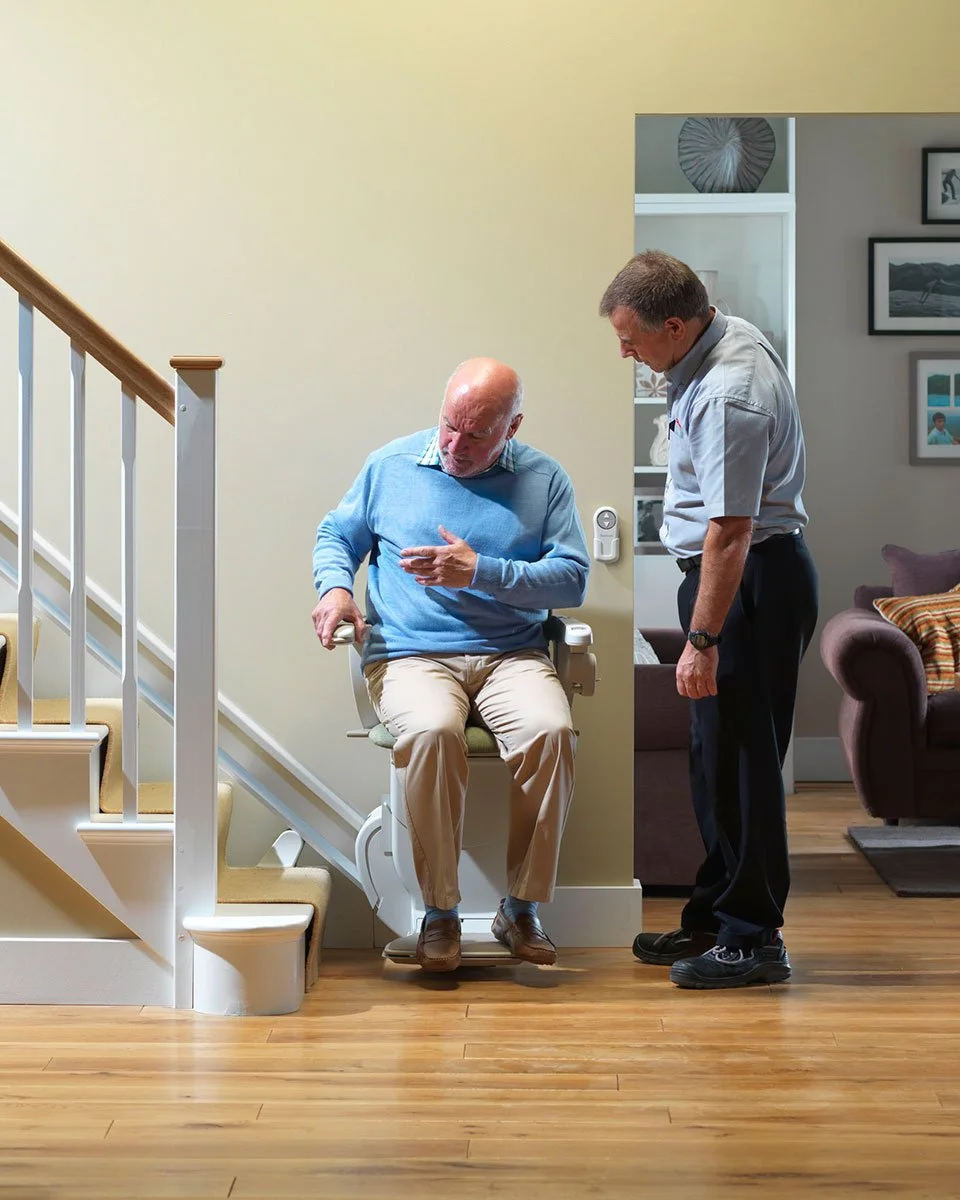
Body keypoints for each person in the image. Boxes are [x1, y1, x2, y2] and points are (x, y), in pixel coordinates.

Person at [312, 358, 590, 972]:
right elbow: (336, 535)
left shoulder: (545, 481)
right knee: (434, 731)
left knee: (552, 732)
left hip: (510, 655)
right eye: (448, 426)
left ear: (512, 427)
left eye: (476, 434)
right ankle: (439, 915)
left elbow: (572, 581)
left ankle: (519, 909)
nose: (455, 446)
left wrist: (483, 572)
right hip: (411, 655)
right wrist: (335, 589)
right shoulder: (391, 467)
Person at [600, 251, 819, 990]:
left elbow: (730, 530)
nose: (624, 352)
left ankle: (754, 940)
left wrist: (701, 640)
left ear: (675, 324)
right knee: (713, 762)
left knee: (744, 765)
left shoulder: (729, 390)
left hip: (749, 580)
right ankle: (715, 917)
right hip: (741, 575)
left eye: (631, 338)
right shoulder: (715, 346)